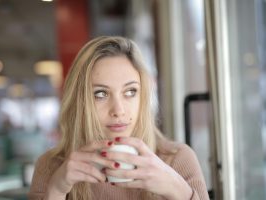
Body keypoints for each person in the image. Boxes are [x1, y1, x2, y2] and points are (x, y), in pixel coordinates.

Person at [28, 36, 209, 200]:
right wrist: (57, 190)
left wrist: (176, 189)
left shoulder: (177, 160)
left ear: (143, 97)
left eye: (130, 92)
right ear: (80, 102)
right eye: (100, 94)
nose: (118, 110)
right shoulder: (51, 167)